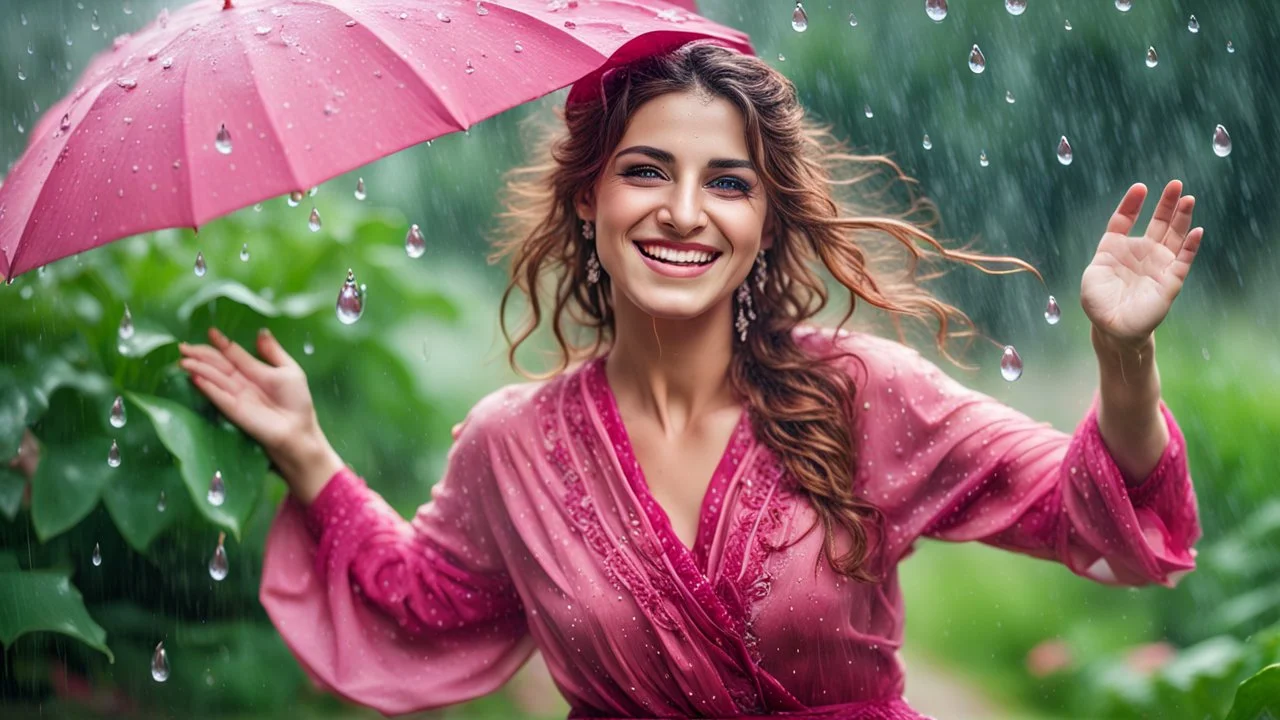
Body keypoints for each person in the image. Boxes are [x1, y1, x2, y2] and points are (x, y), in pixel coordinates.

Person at [177, 41, 1202, 719]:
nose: (682, 212)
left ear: (763, 221)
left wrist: (1121, 354)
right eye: (643, 170)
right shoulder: (510, 445)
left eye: (725, 182)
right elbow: (423, 604)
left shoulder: (861, 394)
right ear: (587, 197)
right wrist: (308, 455)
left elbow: (1096, 511)